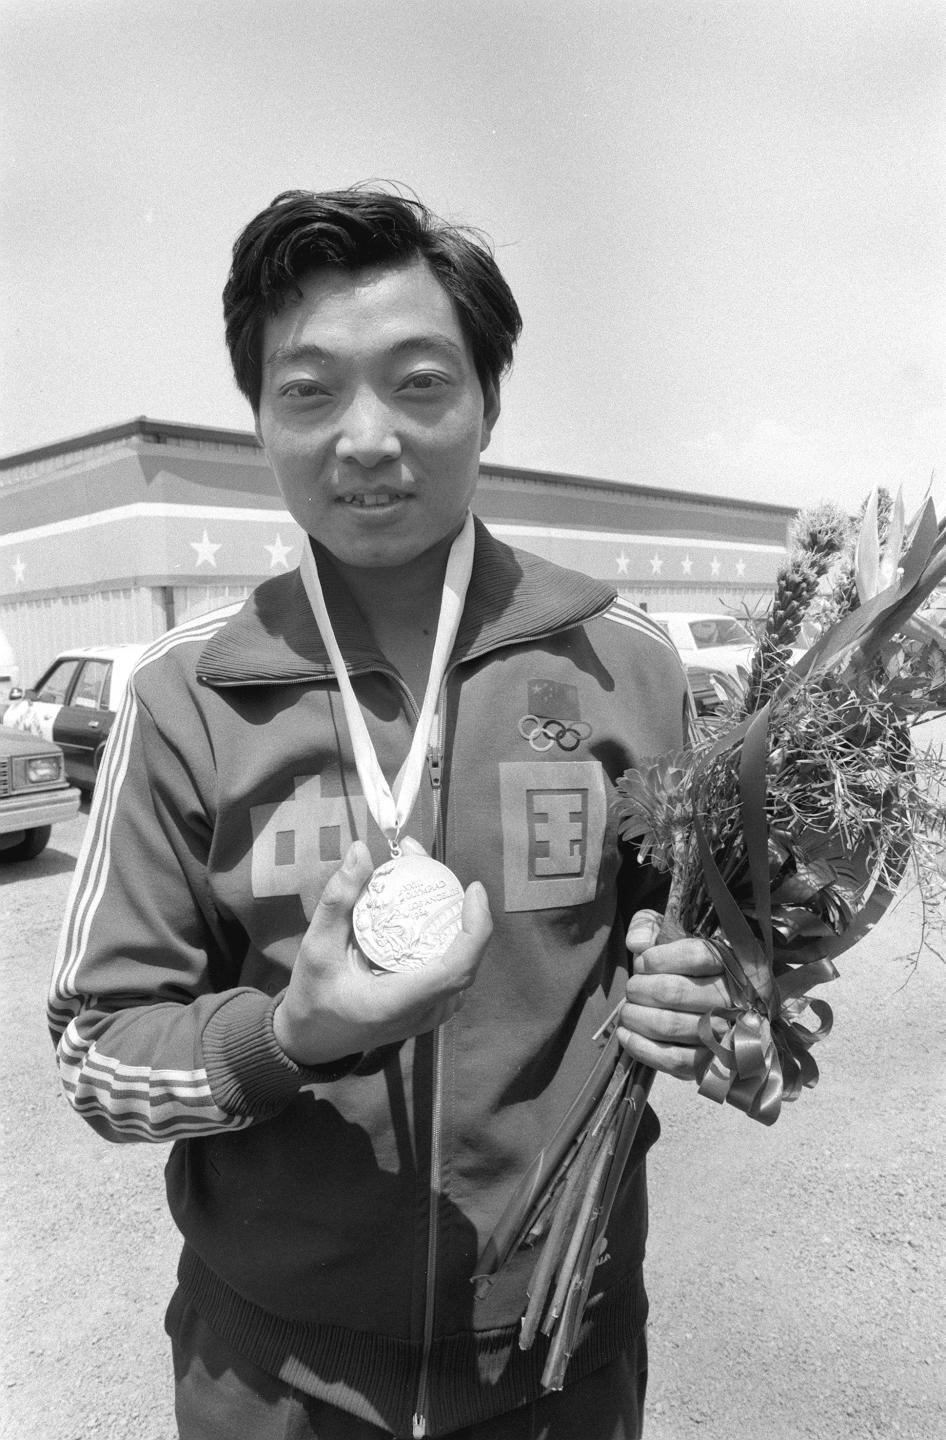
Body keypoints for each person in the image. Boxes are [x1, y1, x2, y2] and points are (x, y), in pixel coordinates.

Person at [49, 187, 728, 1440]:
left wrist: (704, 993)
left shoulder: (621, 664)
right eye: (308, 391)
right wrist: (286, 1038)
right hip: (271, 1382)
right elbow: (96, 1059)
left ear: (487, 404)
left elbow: (708, 956)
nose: (367, 437)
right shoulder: (186, 695)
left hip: (561, 1362)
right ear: (257, 418)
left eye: (419, 384)